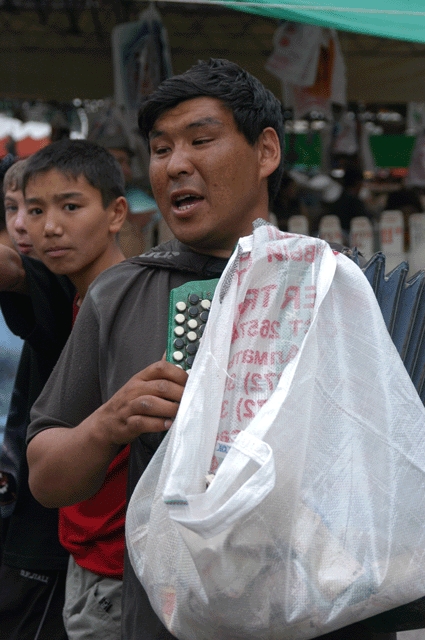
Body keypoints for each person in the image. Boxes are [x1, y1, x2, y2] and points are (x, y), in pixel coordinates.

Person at [26, 59, 403, 640]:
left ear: (266, 152)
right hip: (169, 621)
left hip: (326, 618)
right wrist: (107, 424)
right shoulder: (119, 293)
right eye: (161, 149)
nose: (176, 164)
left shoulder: (336, 284)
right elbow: (48, 478)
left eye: (201, 141)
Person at [0, 139, 127, 640]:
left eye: (70, 207)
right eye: (33, 210)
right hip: (80, 545)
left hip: (117, 555)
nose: (47, 226)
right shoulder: (73, 293)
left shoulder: (134, 298)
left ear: (116, 213)